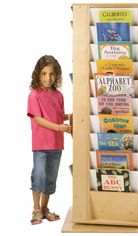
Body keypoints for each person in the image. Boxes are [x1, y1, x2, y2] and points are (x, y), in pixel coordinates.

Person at [27, 55, 72, 224]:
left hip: (56, 144)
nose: (48, 78)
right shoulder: (34, 95)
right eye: (44, 73)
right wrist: (61, 127)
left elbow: (58, 116)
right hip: (40, 144)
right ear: (38, 74)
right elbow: (38, 119)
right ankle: (36, 209)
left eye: (52, 74)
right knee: (39, 174)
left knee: (50, 177)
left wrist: (71, 117)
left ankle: (45, 209)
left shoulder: (59, 95)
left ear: (57, 75)